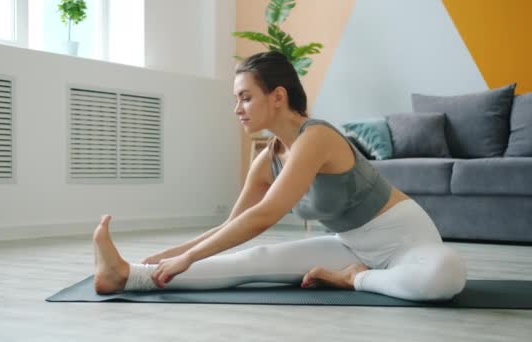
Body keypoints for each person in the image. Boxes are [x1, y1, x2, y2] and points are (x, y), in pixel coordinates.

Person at [92, 51, 467, 301]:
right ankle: (125, 276)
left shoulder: (317, 136)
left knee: (445, 276)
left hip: (405, 240)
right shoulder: (267, 159)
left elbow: (266, 214)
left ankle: (354, 278)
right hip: (350, 244)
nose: (236, 108)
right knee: (256, 260)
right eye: (236, 99)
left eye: (245, 97)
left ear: (278, 96)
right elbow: (235, 224)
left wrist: (188, 256)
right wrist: (167, 256)